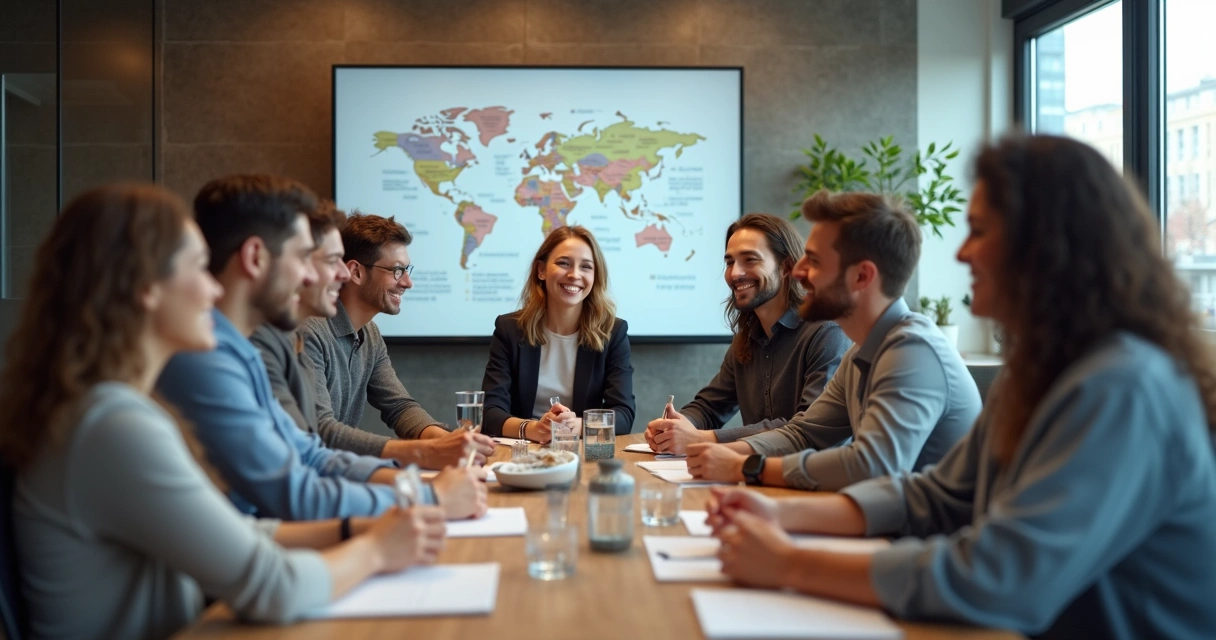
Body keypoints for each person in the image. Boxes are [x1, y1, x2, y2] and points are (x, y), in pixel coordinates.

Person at [704, 135, 1216, 640]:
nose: (962, 253)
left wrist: (790, 564)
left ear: (1045, 245)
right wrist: (780, 511)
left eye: (978, 231)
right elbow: (939, 494)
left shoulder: (1122, 386)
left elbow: (1002, 576)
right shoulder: (1037, 369)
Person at [0, 184, 447, 640]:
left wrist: (365, 524)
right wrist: (378, 547)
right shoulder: (113, 426)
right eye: (198, 267)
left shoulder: (114, 409)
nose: (215, 288)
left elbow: (240, 530)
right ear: (145, 287)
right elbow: (275, 585)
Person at [157, 175, 486, 521]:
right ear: (255, 257)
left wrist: (428, 470)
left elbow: (311, 454)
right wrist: (424, 490)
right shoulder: (219, 355)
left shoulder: (252, 348)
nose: (319, 276)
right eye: (307, 258)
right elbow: (294, 486)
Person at [685, 191, 979, 490]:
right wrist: (722, 454)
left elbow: (870, 466)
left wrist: (746, 467)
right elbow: (803, 434)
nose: (798, 271)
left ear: (861, 277)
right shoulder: (860, 353)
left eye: (814, 260)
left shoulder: (912, 350)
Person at [252, 202, 493, 468]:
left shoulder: (370, 333)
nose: (408, 282)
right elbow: (322, 430)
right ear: (356, 272)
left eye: (407, 270)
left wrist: (448, 442)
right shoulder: (310, 331)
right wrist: (428, 451)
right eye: (397, 270)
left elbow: (399, 407)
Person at [645, 213, 850, 454]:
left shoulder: (826, 332)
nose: (735, 273)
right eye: (730, 262)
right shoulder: (746, 338)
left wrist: (703, 438)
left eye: (750, 260)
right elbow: (710, 407)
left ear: (786, 267)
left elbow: (806, 429)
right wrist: (676, 426)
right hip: (754, 472)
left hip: (812, 475)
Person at [481, 225, 636, 441]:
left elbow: (623, 415)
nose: (574, 275)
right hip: (525, 449)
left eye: (586, 267)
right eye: (563, 263)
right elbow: (490, 412)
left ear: (595, 276)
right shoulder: (510, 329)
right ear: (541, 270)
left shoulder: (612, 332)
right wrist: (532, 428)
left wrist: (578, 425)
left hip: (580, 449)